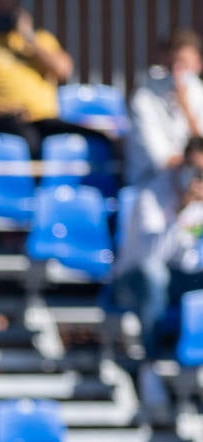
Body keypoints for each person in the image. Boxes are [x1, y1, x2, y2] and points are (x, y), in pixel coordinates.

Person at [0, 0, 105, 158]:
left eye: (8, 6)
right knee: (29, 141)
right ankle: (34, 183)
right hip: (2, 122)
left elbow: (63, 70)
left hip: (44, 120)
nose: (3, 10)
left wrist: (29, 38)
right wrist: (2, 111)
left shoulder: (41, 40)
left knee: (97, 140)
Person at [117, 136, 203, 360]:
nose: (199, 178)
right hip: (131, 281)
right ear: (182, 165)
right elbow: (152, 257)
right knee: (154, 275)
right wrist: (181, 209)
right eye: (196, 170)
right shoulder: (150, 196)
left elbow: (189, 259)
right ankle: (150, 360)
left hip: (175, 278)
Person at [127, 29, 203, 188]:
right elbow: (162, 160)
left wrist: (186, 108)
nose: (177, 72)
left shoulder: (198, 92)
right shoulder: (144, 98)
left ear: (198, 63)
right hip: (151, 185)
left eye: (184, 64)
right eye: (172, 64)